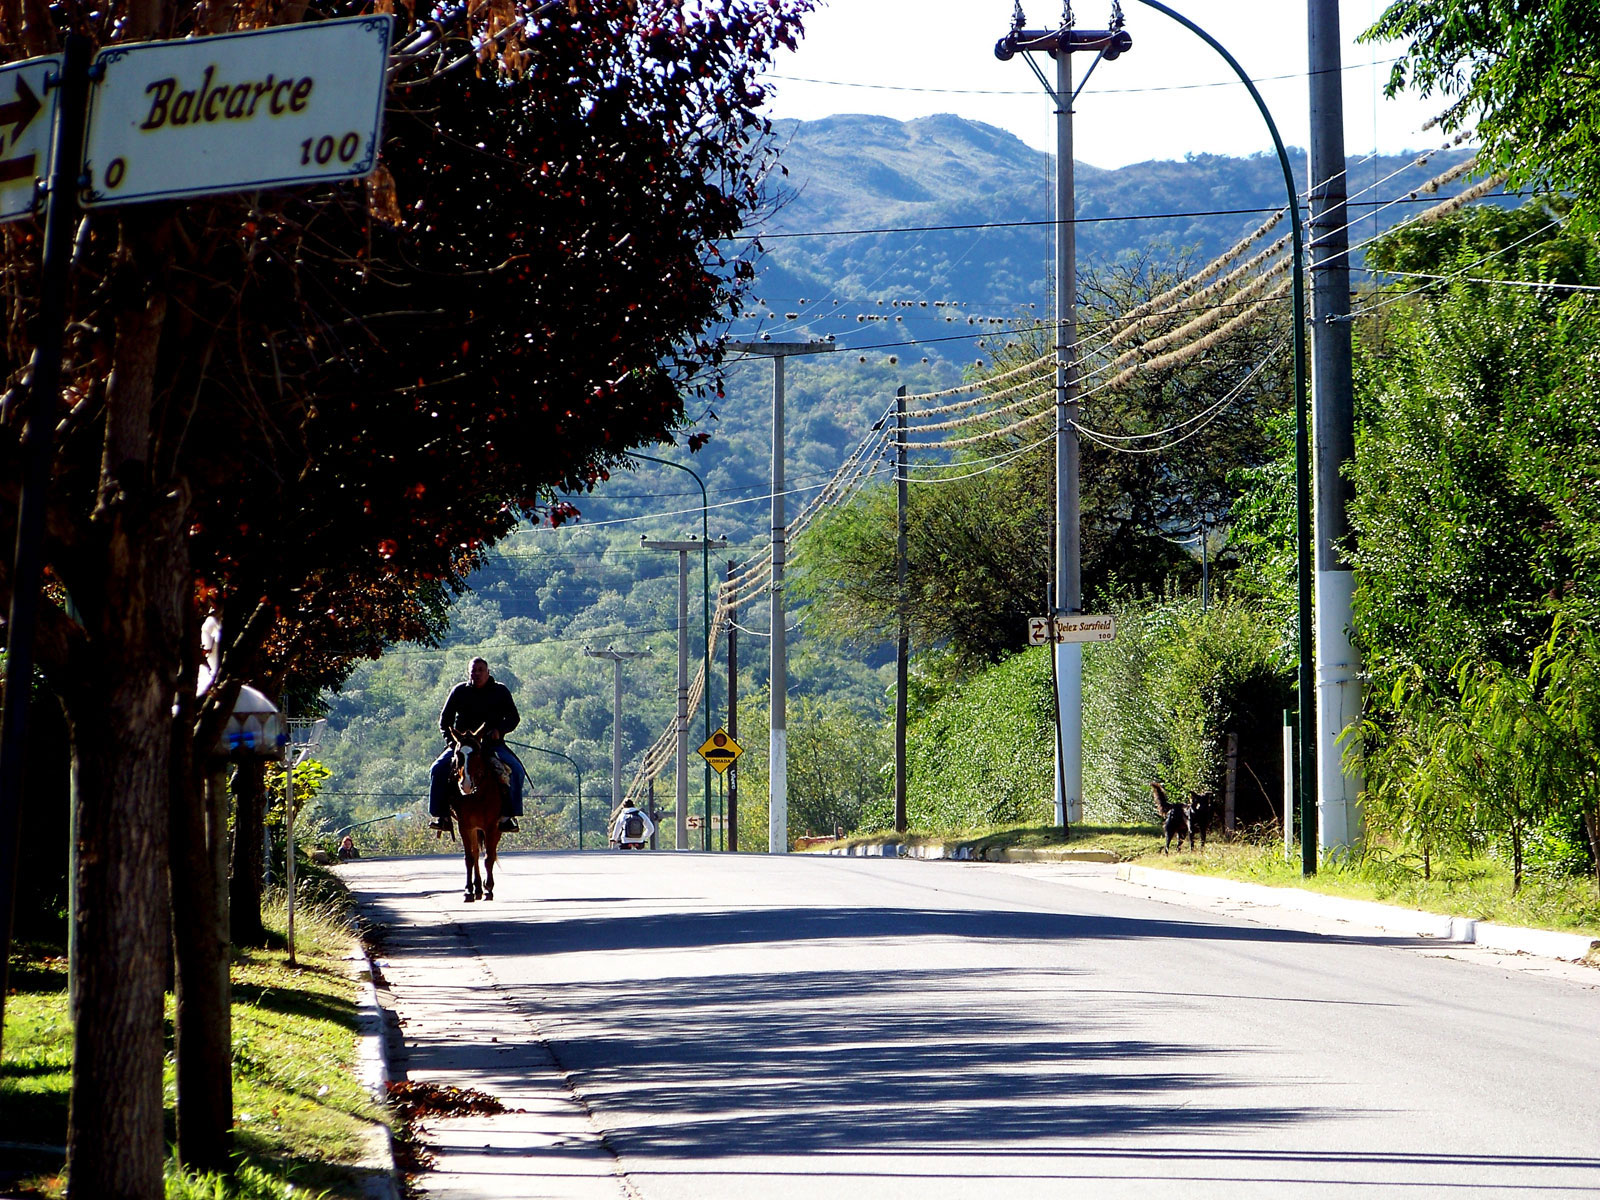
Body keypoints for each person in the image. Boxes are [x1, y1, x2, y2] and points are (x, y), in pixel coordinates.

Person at [428, 657, 525, 834]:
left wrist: (500, 730)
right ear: (469, 673)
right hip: (463, 747)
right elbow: (444, 721)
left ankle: (508, 817)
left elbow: (514, 718)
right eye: (474, 670)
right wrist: (453, 743)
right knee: (437, 769)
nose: (477, 673)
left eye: (481, 670)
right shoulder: (459, 691)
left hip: (492, 745)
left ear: (488, 672)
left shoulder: (500, 691)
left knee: (517, 770)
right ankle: (441, 816)